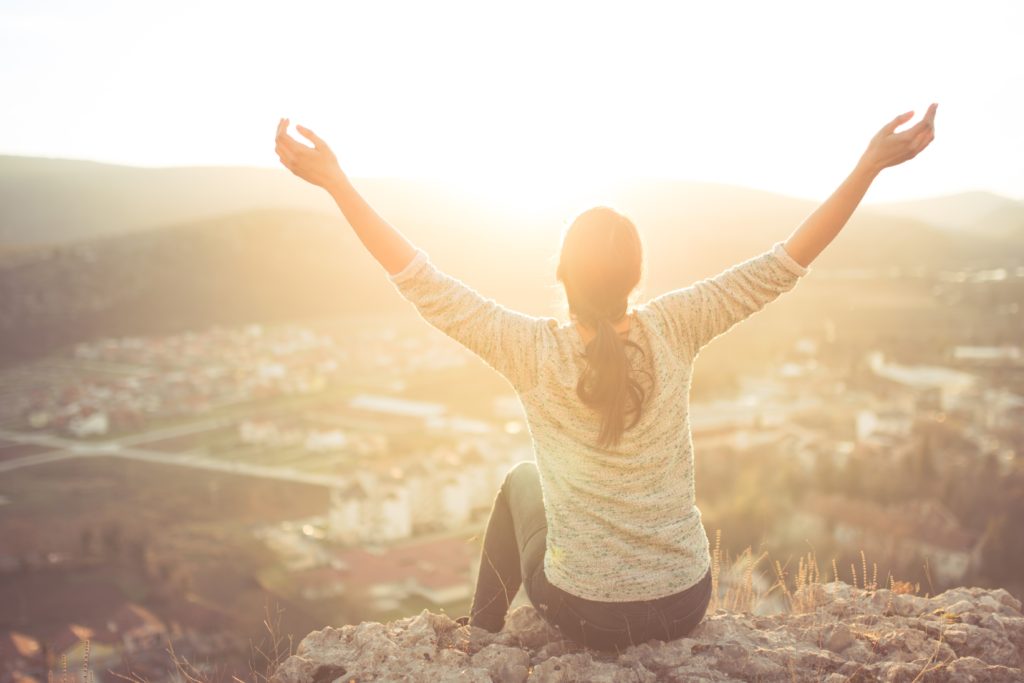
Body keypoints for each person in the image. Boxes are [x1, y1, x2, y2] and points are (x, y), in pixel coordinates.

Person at [274, 103, 938, 653]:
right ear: (635, 278)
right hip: (685, 601)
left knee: (518, 481)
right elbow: (785, 262)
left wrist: (336, 181)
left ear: (561, 274)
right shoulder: (677, 324)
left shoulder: (531, 349)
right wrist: (868, 166)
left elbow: (421, 281)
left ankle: (479, 638)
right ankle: (482, 635)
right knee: (529, 480)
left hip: (584, 611)